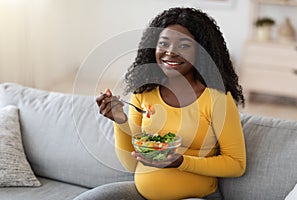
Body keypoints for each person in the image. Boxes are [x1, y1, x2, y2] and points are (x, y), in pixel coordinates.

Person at [96, 7, 246, 200]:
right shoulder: (144, 92)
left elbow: (237, 164)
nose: (171, 52)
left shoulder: (217, 99)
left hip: (195, 196)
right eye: (164, 43)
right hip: (141, 194)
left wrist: (181, 162)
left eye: (184, 45)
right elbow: (131, 164)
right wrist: (119, 121)